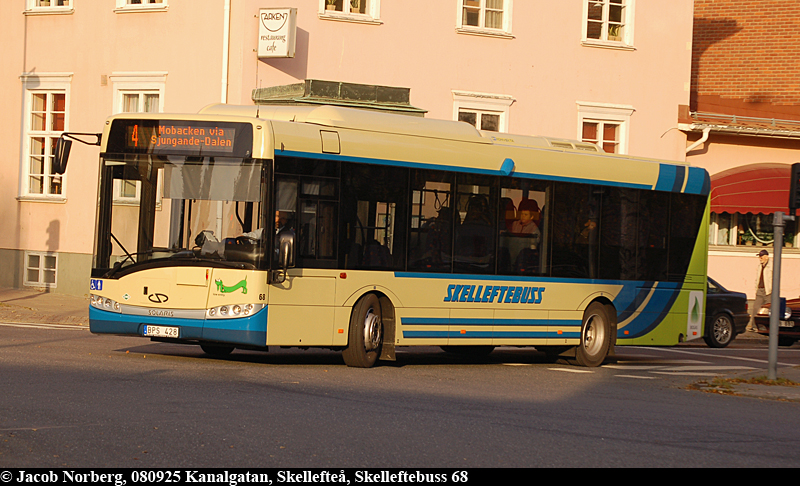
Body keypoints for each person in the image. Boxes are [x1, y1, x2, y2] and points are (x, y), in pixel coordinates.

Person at [748, 249, 773, 332]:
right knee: (756, 308)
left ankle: (767, 327)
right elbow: (757, 278)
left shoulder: (772, 266)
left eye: (761, 256)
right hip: (760, 289)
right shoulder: (760, 266)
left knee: (767, 309)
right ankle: (753, 326)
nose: (760, 258)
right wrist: (756, 287)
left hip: (768, 291)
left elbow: (774, 279)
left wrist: (772, 289)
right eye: (759, 256)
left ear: (766, 256)